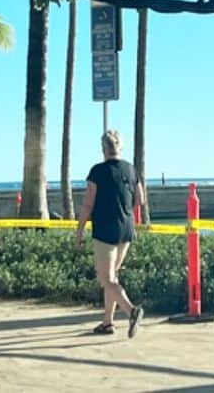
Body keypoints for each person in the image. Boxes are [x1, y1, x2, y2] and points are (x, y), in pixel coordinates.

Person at [75, 130, 145, 337]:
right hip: (126, 227)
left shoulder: (97, 171)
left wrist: (79, 231)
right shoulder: (131, 170)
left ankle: (131, 311)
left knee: (106, 279)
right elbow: (140, 200)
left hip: (105, 230)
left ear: (103, 149)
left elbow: (88, 204)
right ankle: (107, 322)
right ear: (120, 147)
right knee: (112, 276)